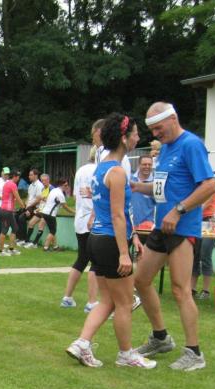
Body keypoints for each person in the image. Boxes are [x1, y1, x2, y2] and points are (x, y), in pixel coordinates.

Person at [131, 101, 215, 372]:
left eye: (159, 128)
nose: (156, 134)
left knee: (180, 289)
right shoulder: (166, 149)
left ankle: (194, 353)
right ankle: (161, 338)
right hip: (162, 227)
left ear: (173, 119)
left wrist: (179, 211)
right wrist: (135, 186)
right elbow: (163, 189)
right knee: (141, 280)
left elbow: (210, 185)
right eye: (152, 130)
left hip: (182, 228)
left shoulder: (191, 145)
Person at [66, 114, 155, 369]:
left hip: (97, 239)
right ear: (124, 138)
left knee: (107, 300)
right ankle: (126, 354)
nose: (138, 138)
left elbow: (106, 210)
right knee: (125, 302)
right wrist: (124, 253)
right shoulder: (116, 172)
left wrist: (132, 237)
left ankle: (82, 343)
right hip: (110, 242)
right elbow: (117, 215)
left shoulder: (101, 168)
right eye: (135, 133)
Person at [62, 147, 99, 312]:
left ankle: (67, 297)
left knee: (82, 258)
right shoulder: (100, 170)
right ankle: (92, 302)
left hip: (80, 219)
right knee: (97, 261)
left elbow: (75, 196)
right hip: (93, 219)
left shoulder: (80, 170)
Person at [191, 190, 215, 300]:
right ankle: (192, 288)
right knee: (195, 254)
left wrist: (196, 211)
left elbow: (209, 200)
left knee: (205, 254)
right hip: (198, 220)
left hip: (210, 219)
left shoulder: (210, 184)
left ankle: (206, 290)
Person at [37, 176, 73, 251]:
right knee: (52, 231)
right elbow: (65, 207)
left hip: (45, 212)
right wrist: (74, 211)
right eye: (65, 185)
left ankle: (55, 247)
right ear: (61, 185)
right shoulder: (60, 194)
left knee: (52, 230)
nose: (67, 187)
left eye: (67, 185)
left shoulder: (54, 190)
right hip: (50, 214)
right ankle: (46, 247)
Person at [0, 171, 24, 256]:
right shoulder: (13, 185)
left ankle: (11, 249)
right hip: (6, 211)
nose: (18, 179)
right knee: (4, 231)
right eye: (18, 177)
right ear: (15, 176)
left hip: (7, 210)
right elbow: (17, 197)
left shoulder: (6, 183)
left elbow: (9, 196)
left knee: (15, 228)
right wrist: (23, 206)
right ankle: (1, 251)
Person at [130, 156, 156, 229]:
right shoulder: (130, 180)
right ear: (139, 165)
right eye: (144, 164)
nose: (147, 167)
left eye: (149, 164)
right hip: (130, 225)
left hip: (148, 226)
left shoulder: (155, 183)